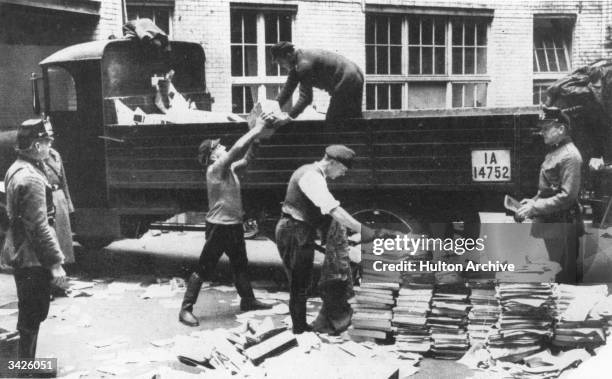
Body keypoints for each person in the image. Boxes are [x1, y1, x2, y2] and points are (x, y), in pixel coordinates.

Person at [275, 145, 392, 334]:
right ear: (333, 162)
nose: (343, 174)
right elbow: (333, 209)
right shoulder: (311, 176)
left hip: (298, 230)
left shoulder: (314, 174)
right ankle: (299, 330)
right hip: (294, 231)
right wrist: (364, 231)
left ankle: (301, 326)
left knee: (301, 282)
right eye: (343, 170)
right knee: (299, 283)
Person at [179, 114, 275, 327]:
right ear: (213, 156)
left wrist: (256, 140)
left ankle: (248, 300)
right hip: (219, 228)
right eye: (219, 147)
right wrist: (256, 129)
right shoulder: (215, 169)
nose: (223, 148)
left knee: (240, 265)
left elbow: (248, 158)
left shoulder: (229, 169)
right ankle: (185, 310)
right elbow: (237, 149)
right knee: (204, 268)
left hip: (232, 226)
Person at [1, 118, 67, 358]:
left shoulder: (18, 168)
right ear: (37, 146)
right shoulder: (31, 178)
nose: (49, 147)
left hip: (23, 252)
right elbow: (39, 227)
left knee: (31, 313)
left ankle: (27, 367)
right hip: (32, 257)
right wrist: (56, 264)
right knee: (33, 313)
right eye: (46, 142)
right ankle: (24, 370)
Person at [517, 107, 583, 283]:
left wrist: (534, 207)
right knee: (555, 272)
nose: (542, 132)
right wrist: (532, 201)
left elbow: (567, 196)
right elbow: (548, 189)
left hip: (563, 224)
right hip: (552, 223)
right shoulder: (555, 152)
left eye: (546, 128)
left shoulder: (570, 156)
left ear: (561, 129)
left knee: (565, 278)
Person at [270, 42, 364, 122]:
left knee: (332, 121)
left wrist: (289, 117)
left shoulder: (303, 65)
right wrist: (270, 110)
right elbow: (287, 90)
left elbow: (306, 98)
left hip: (348, 79)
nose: (281, 66)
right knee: (354, 117)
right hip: (354, 74)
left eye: (280, 62)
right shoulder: (298, 60)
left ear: (288, 55)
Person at [44, 147, 75, 265]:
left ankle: (63, 264)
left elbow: (64, 181)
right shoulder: (37, 156)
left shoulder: (55, 154)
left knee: (62, 232)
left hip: (59, 194)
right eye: (46, 140)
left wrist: (68, 202)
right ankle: (52, 265)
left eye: (50, 140)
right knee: (49, 233)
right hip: (46, 195)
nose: (48, 143)